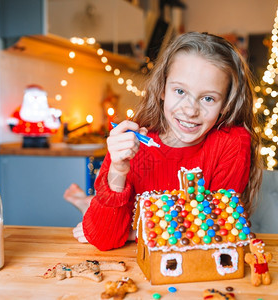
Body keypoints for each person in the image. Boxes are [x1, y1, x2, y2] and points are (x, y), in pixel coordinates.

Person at [67, 32, 262, 250]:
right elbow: (104, 238)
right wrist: (118, 169)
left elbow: (217, 232)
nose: (190, 110)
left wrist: (132, 232)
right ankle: (87, 204)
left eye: (208, 98)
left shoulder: (232, 143)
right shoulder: (134, 142)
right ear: (162, 89)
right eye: (179, 91)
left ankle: (87, 205)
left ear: (226, 104)